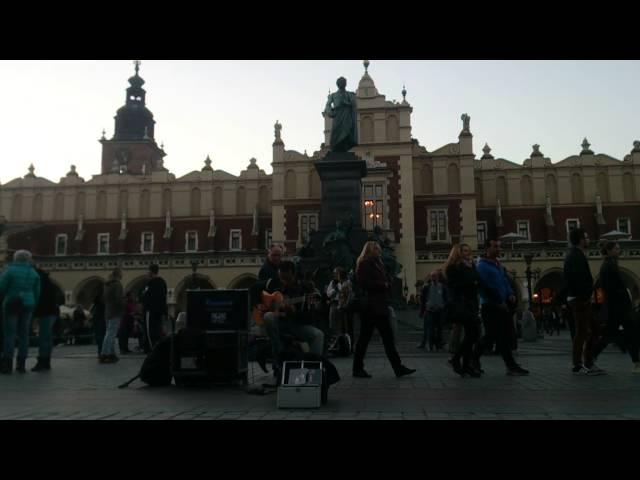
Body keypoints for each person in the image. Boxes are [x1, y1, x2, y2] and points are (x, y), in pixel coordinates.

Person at [352, 241, 415, 379]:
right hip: (371, 307)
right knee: (367, 338)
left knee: (386, 338)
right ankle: (358, 368)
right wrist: (383, 284)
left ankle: (397, 368)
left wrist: (388, 283)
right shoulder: (365, 264)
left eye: (379, 248)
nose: (379, 250)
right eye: (376, 248)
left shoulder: (378, 263)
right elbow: (364, 283)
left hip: (379, 305)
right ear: (369, 250)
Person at [474, 239, 529, 376]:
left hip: (501, 305)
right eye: (495, 247)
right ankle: (472, 359)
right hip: (490, 305)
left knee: (502, 337)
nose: (499, 249)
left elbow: (504, 281)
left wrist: (510, 293)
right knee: (491, 337)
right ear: (487, 248)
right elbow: (482, 288)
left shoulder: (498, 265)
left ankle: (510, 365)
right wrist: (497, 300)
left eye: (499, 247)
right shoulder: (481, 266)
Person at [261, 261, 325, 365]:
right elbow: (256, 291)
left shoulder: (305, 288)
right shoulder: (274, 284)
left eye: (286, 279)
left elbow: (310, 316)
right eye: (281, 278)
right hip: (279, 324)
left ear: (293, 274)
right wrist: (263, 305)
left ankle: (312, 367)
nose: (284, 282)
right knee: (268, 316)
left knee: (318, 335)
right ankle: (279, 353)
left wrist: (293, 312)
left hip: (296, 324)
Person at [593, 241, 640, 373]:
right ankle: (636, 363)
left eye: (619, 248)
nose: (619, 250)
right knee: (630, 334)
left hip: (616, 307)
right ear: (609, 251)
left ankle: (591, 357)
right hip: (619, 307)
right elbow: (612, 288)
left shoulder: (610, 264)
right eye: (616, 248)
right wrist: (624, 296)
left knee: (609, 335)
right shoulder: (609, 265)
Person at [564, 228, 603, 375]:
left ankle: (587, 362)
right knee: (583, 332)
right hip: (580, 300)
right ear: (580, 239)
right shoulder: (575, 256)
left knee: (593, 330)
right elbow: (575, 279)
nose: (588, 240)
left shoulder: (576, 254)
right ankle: (579, 364)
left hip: (580, 298)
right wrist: (585, 296)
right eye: (586, 237)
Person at [444, 244, 483, 377]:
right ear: (458, 253)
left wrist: (472, 276)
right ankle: (458, 360)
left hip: (471, 303)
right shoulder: (453, 267)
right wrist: (471, 281)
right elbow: (456, 285)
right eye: (464, 251)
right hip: (462, 304)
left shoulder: (470, 265)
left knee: (472, 334)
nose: (467, 253)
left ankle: (464, 364)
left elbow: (477, 279)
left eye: (468, 251)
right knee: (473, 333)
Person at [0, 250, 41, 374]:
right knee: (24, 334)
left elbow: (1, 288)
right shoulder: (33, 273)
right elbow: (37, 292)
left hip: (12, 304)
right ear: (28, 259)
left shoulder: (9, 271)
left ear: (15, 258)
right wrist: (33, 304)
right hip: (28, 305)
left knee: (10, 334)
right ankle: (21, 364)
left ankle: (7, 363)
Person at [32, 266, 63, 372]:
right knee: (48, 338)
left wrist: (36, 313)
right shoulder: (48, 282)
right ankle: (46, 361)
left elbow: (41, 300)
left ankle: (42, 361)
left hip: (46, 312)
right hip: (53, 312)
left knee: (43, 338)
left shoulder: (40, 282)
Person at [418, 270, 448, 351]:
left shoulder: (442, 287)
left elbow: (446, 298)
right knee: (430, 328)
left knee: (439, 328)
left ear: (438, 277)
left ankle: (439, 344)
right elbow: (423, 300)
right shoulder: (426, 287)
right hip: (430, 311)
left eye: (435, 276)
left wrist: (443, 306)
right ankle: (429, 344)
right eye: (432, 276)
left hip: (440, 310)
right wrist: (422, 311)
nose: (433, 277)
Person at [141, 264, 168, 353]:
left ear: (151, 272)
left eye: (148, 271)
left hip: (150, 310)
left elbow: (144, 296)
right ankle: (158, 347)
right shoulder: (163, 282)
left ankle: (150, 348)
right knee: (158, 330)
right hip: (160, 310)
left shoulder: (150, 283)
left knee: (149, 331)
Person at [101, 268, 124, 364]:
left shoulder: (107, 285)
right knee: (111, 334)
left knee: (110, 333)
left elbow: (104, 298)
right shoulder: (118, 285)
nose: (122, 275)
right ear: (118, 275)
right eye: (121, 273)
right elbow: (119, 299)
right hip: (115, 312)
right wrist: (124, 304)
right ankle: (105, 354)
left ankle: (111, 353)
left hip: (108, 311)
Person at [91, 286, 106, 358]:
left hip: (98, 323)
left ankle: (100, 353)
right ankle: (102, 353)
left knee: (100, 339)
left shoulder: (95, 306)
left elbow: (93, 315)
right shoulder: (101, 305)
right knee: (101, 339)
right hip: (101, 323)